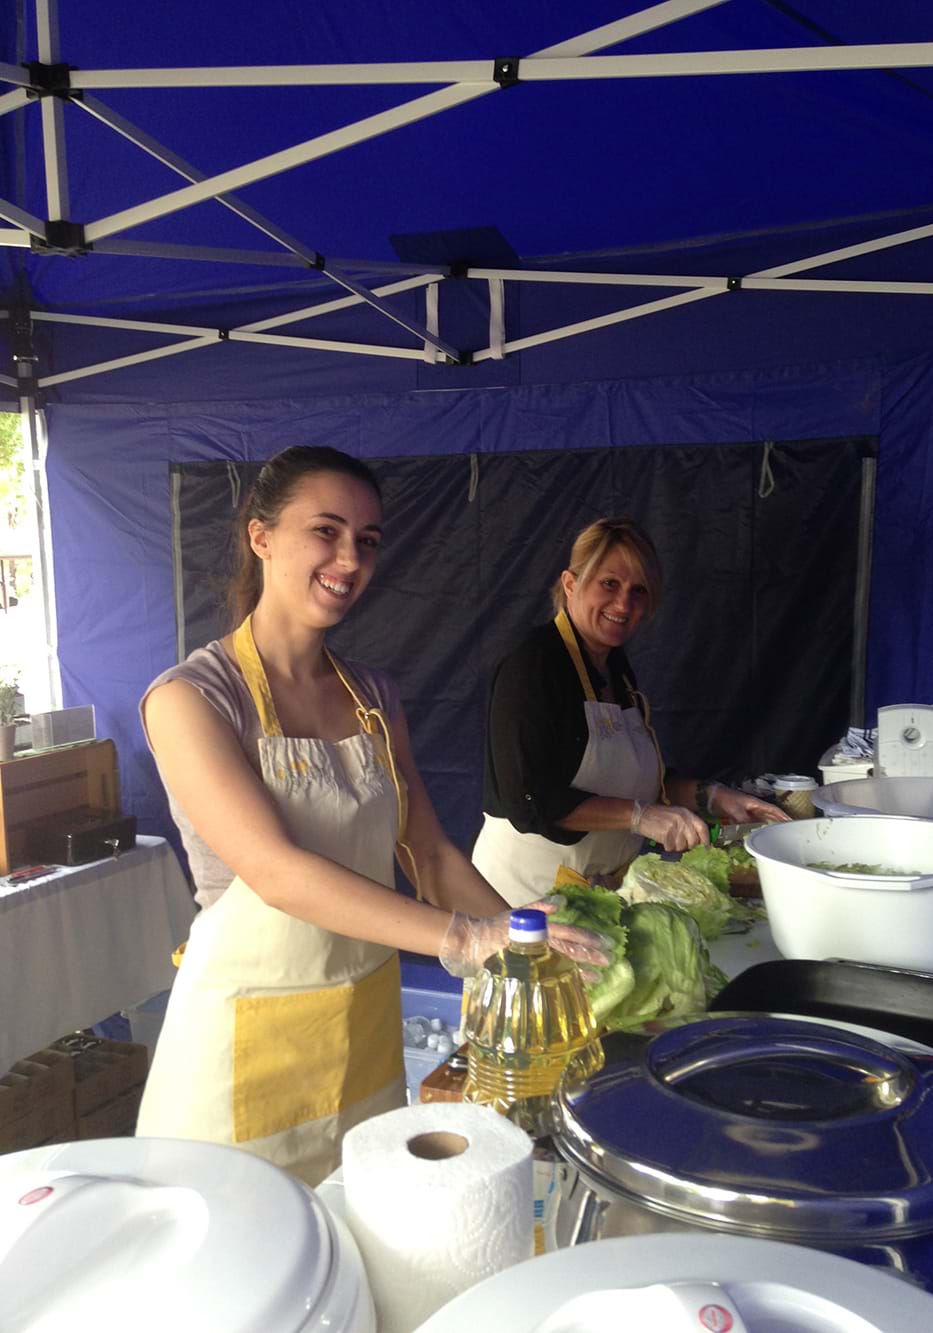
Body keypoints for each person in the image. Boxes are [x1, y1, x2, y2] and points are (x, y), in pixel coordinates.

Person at [135, 446, 607, 1185]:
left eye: (368, 539)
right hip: (236, 1054)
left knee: (360, 1227)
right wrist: (466, 937)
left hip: (361, 1036)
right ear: (262, 538)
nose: (350, 559)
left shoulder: (373, 697)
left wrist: (522, 937)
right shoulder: (192, 698)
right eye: (325, 531)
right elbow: (275, 872)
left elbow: (430, 853)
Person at [472, 516, 788, 907]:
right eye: (609, 583)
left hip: (598, 895)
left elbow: (639, 783)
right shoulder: (532, 666)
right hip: (523, 898)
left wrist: (714, 797)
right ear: (571, 584)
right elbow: (530, 800)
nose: (624, 604)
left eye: (638, 590)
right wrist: (641, 817)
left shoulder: (616, 671)